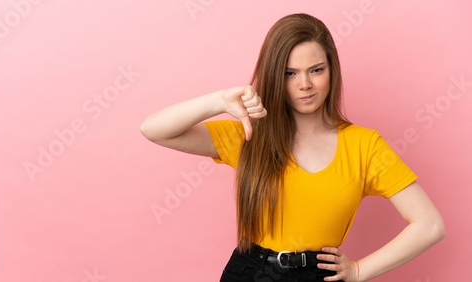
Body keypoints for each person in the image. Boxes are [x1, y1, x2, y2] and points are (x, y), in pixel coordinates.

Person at [140, 13, 445, 282]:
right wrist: (219, 101)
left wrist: (360, 271)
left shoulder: (365, 145)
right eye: (290, 73)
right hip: (250, 271)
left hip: (318, 275)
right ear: (275, 76)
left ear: (332, 71)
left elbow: (430, 224)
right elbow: (154, 130)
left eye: (316, 70)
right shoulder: (249, 134)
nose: (304, 85)